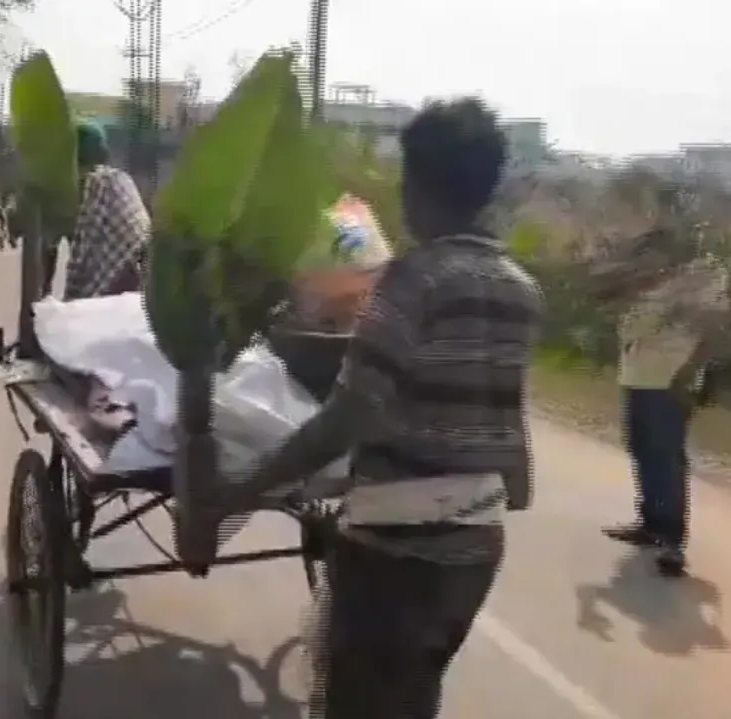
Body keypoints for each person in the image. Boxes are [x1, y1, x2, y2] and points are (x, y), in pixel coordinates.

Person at [216, 98, 544, 719]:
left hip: (396, 552)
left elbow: (349, 416)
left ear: (416, 185)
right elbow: (504, 408)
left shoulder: (412, 280)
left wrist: (242, 490)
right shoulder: (520, 289)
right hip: (476, 550)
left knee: (356, 702)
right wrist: (516, 485)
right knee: (414, 695)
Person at [591, 221, 729, 577]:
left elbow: (713, 329)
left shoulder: (704, 275)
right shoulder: (653, 277)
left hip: (669, 379)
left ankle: (671, 541)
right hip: (638, 375)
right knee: (642, 451)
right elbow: (607, 298)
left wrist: (689, 377)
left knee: (665, 458)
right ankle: (649, 523)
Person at [63, 120, 151, 300]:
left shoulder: (94, 185)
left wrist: (69, 303)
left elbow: (81, 257)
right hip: (146, 277)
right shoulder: (120, 178)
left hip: (126, 277)